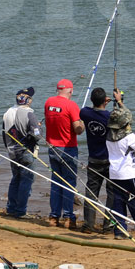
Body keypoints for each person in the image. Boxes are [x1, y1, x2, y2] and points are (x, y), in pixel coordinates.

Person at [79, 87, 122, 233]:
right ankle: (108, 226)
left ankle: (88, 225)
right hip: (109, 160)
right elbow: (122, 119)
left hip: (94, 159)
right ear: (105, 101)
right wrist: (118, 102)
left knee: (91, 193)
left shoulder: (85, 113)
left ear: (92, 100)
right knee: (112, 194)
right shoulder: (109, 117)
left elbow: (87, 109)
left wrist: (103, 103)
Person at [43, 79, 84, 228]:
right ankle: (68, 217)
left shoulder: (49, 102)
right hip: (68, 149)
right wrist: (82, 124)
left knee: (56, 182)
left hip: (52, 148)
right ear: (71, 91)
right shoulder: (71, 105)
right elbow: (77, 129)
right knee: (68, 184)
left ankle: (54, 217)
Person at [105, 107, 135, 239]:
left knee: (118, 203)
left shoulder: (109, 136)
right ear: (125, 124)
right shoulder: (129, 137)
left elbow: (123, 147)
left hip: (115, 174)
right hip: (129, 175)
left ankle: (120, 232)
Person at [2, 87, 42, 219]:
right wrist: (38, 128)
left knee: (15, 179)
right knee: (26, 180)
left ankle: (11, 208)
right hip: (25, 151)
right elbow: (36, 135)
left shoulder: (7, 112)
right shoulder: (28, 113)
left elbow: (4, 133)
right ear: (28, 100)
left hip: (12, 150)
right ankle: (21, 211)